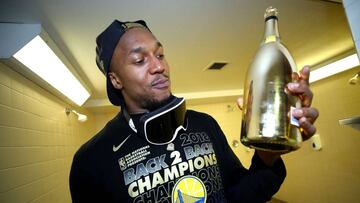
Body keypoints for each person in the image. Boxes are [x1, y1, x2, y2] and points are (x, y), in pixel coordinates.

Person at [69, 20, 319, 203]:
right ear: (115, 80)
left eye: (160, 54)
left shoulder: (204, 125)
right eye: (139, 60)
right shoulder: (90, 162)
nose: (159, 66)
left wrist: (268, 152)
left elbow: (240, 196)